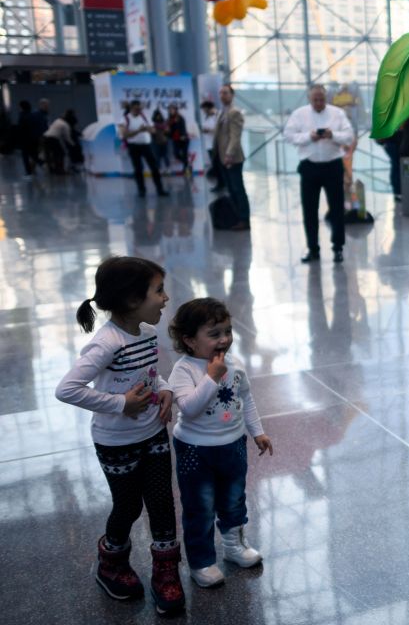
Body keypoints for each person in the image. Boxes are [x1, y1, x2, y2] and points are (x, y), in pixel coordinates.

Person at [54, 256, 185, 615]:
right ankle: (111, 561)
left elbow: (150, 375)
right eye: (158, 291)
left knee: (161, 502)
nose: (166, 298)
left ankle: (166, 571)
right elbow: (67, 389)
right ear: (131, 300)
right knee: (128, 506)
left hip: (154, 434)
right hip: (116, 443)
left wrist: (167, 389)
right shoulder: (107, 343)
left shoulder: (145, 332)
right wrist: (119, 403)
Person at [167, 297, 272, 587]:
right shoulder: (184, 370)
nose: (224, 339)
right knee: (199, 506)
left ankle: (235, 546)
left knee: (234, 499)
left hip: (233, 444)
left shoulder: (235, 364)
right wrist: (212, 378)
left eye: (227, 331)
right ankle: (201, 562)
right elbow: (189, 408)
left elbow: (246, 398)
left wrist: (257, 431)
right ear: (189, 340)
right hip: (195, 449)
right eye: (214, 334)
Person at [284, 84, 354, 263]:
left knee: (337, 209)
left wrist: (332, 135)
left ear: (326, 98)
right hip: (309, 167)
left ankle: (338, 248)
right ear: (309, 99)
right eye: (315, 100)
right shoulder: (299, 114)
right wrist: (309, 136)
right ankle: (313, 249)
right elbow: (289, 136)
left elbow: (349, 136)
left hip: (333, 166)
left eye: (321, 99)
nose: (318, 103)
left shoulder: (337, 113)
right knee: (309, 210)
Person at [214, 85, 250, 229]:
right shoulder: (222, 112)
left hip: (232, 158)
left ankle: (244, 218)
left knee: (238, 189)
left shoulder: (234, 113)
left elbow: (235, 136)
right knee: (231, 188)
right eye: (221, 93)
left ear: (232, 95)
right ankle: (236, 217)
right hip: (222, 157)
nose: (223, 95)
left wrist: (229, 154)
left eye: (226, 93)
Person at [122, 100, 168, 197]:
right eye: (136, 109)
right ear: (131, 108)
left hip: (146, 145)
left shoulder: (144, 116)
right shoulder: (126, 118)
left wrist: (149, 129)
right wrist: (138, 130)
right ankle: (141, 190)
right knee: (138, 169)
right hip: (134, 146)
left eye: (140, 108)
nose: (138, 110)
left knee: (154, 167)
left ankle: (160, 189)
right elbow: (125, 135)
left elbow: (153, 130)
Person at [375, 112, 409, 200]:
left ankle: (400, 193)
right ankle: (399, 193)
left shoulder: (407, 116)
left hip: (400, 145)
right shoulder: (403, 115)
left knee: (398, 167)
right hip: (395, 143)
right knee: (397, 167)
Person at [42, 110, 78, 175]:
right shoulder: (66, 125)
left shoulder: (57, 120)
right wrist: (73, 144)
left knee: (51, 155)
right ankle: (60, 170)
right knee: (61, 154)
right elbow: (67, 138)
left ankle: (53, 170)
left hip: (45, 137)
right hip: (52, 138)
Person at [200, 101, 224, 191]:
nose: (203, 111)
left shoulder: (217, 116)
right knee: (215, 165)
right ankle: (219, 183)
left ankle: (221, 184)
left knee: (218, 166)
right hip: (209, 144)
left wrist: (209, 130)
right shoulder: (207, 117)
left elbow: (219, 130)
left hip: (216, 145)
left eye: (204, 109)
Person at [16, 100, 39, 176]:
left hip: (25, 139)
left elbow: (20, 129)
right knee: (33, 154)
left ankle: (29, 172)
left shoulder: (22, 116)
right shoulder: (33, 115)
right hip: (34, 138)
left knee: (25, 156)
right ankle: (39, 163)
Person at [166, 104, 190, 175]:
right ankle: (187, 164)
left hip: (183, 138)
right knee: (176, 154)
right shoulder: (169, 119)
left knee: (184, 153)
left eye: (172, 109)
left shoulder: (180, 117)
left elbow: (183, 127)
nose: (171, 111)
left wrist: (183, 135)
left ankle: (185, 168)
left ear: (175, 110)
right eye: (169, 110)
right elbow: (169, 129)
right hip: (175, 139)